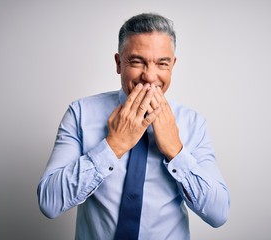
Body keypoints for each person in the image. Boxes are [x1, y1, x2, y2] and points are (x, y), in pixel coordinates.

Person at [37, 13, 230, 240]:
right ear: (119, 63)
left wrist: (176, 151)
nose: (149, 76)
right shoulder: (80, 114)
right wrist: (113, 146)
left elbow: (218, 214)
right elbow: (49, 203)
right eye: (137, 62)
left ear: (173, 66)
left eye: (162, 63)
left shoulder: (194, 124)